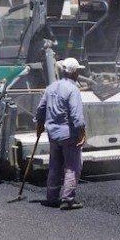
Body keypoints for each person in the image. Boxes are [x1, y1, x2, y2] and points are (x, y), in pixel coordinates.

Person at [35, 57, 87, 210]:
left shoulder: (51, 87)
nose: (79, 73)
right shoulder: (73, 90)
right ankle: (68, 199)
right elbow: (76, 115)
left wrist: (39, 124)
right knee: (72, 166)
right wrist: (82, 132)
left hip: (53, 134)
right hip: (68, 134)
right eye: (78, 71)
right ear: (74, 72)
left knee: (55, 166)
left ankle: (52, 197)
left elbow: (41, 108)